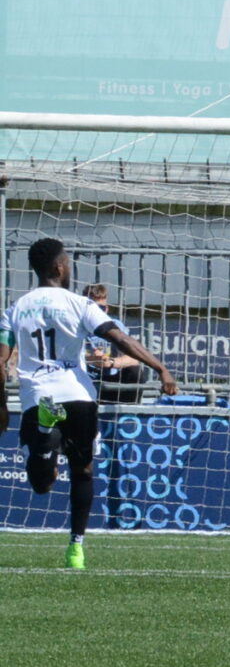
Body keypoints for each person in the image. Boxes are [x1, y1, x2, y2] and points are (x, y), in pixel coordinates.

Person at [0, 239, 176, 568]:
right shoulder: (80, 304)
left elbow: (0, 360)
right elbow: (120, 338)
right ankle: (76, 548)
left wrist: (0, 403)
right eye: (67, 262)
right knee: (83, 471)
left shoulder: (15, 309)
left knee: (41, 484)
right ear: (59, 267)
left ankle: (44, 433)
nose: (69, 267)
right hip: (79, 396)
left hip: (38, 396)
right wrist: (160, 368)